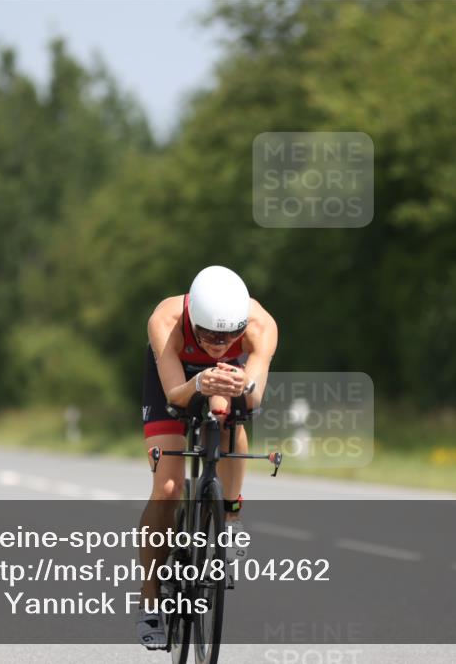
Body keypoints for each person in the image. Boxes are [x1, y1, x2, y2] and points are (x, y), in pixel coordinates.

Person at [135, 266, 278, 649]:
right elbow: (174, 396)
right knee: (166, 488)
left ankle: (229, 514)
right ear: (192, 320)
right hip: (176, 377)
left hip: (230, 376)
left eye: (230, 334)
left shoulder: (260, 325)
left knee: (228, 413)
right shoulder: (166, 319)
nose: (219, 342)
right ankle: (149, 600)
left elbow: (255, 396)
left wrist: (239, 386)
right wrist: (199, 381)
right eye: (210, 335)